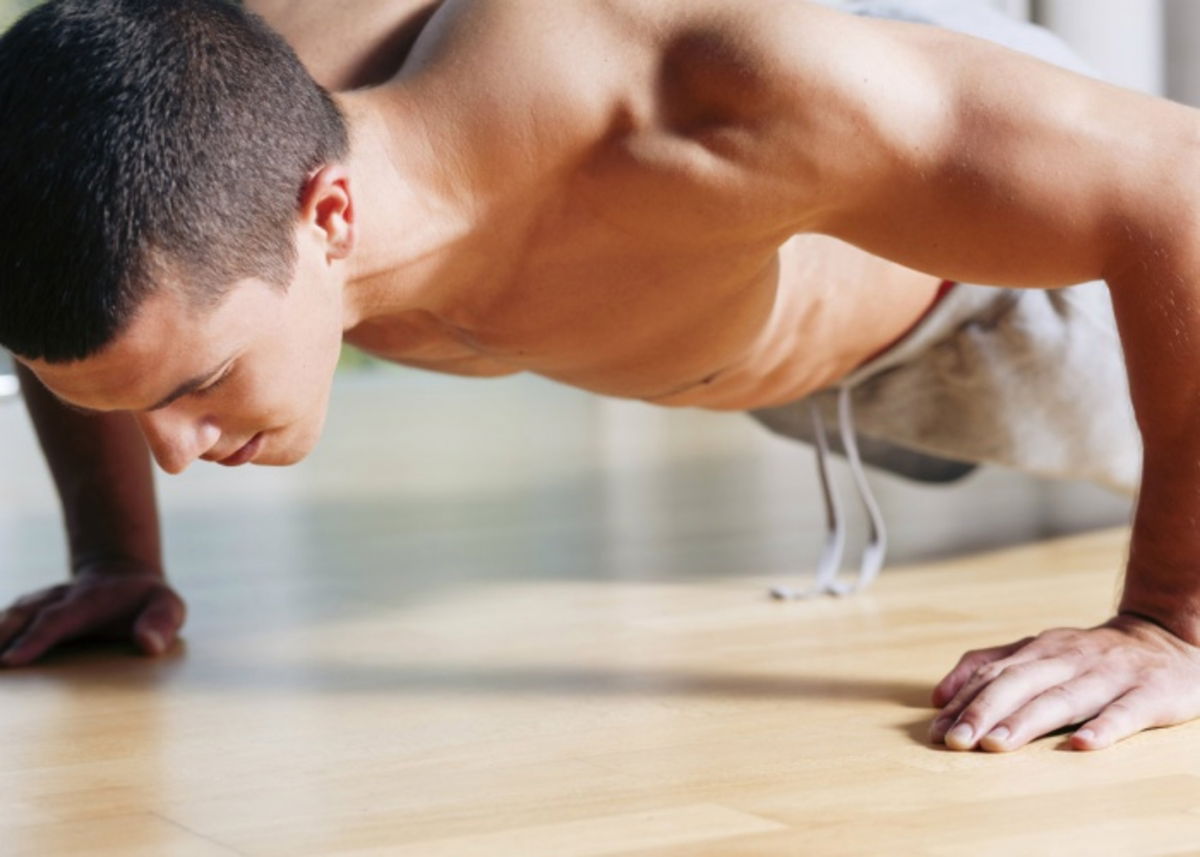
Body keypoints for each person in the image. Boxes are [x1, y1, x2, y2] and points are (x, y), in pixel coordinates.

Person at [0, 0, 1195, 756]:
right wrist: (117, 553)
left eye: (201, 381)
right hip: (761, 357)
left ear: (331, 213)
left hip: (1005, 318)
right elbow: (90, 314)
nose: (174, 446)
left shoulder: (697, 103)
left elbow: (1176, 191)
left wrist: (1172, 623)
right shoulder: (193, 143)